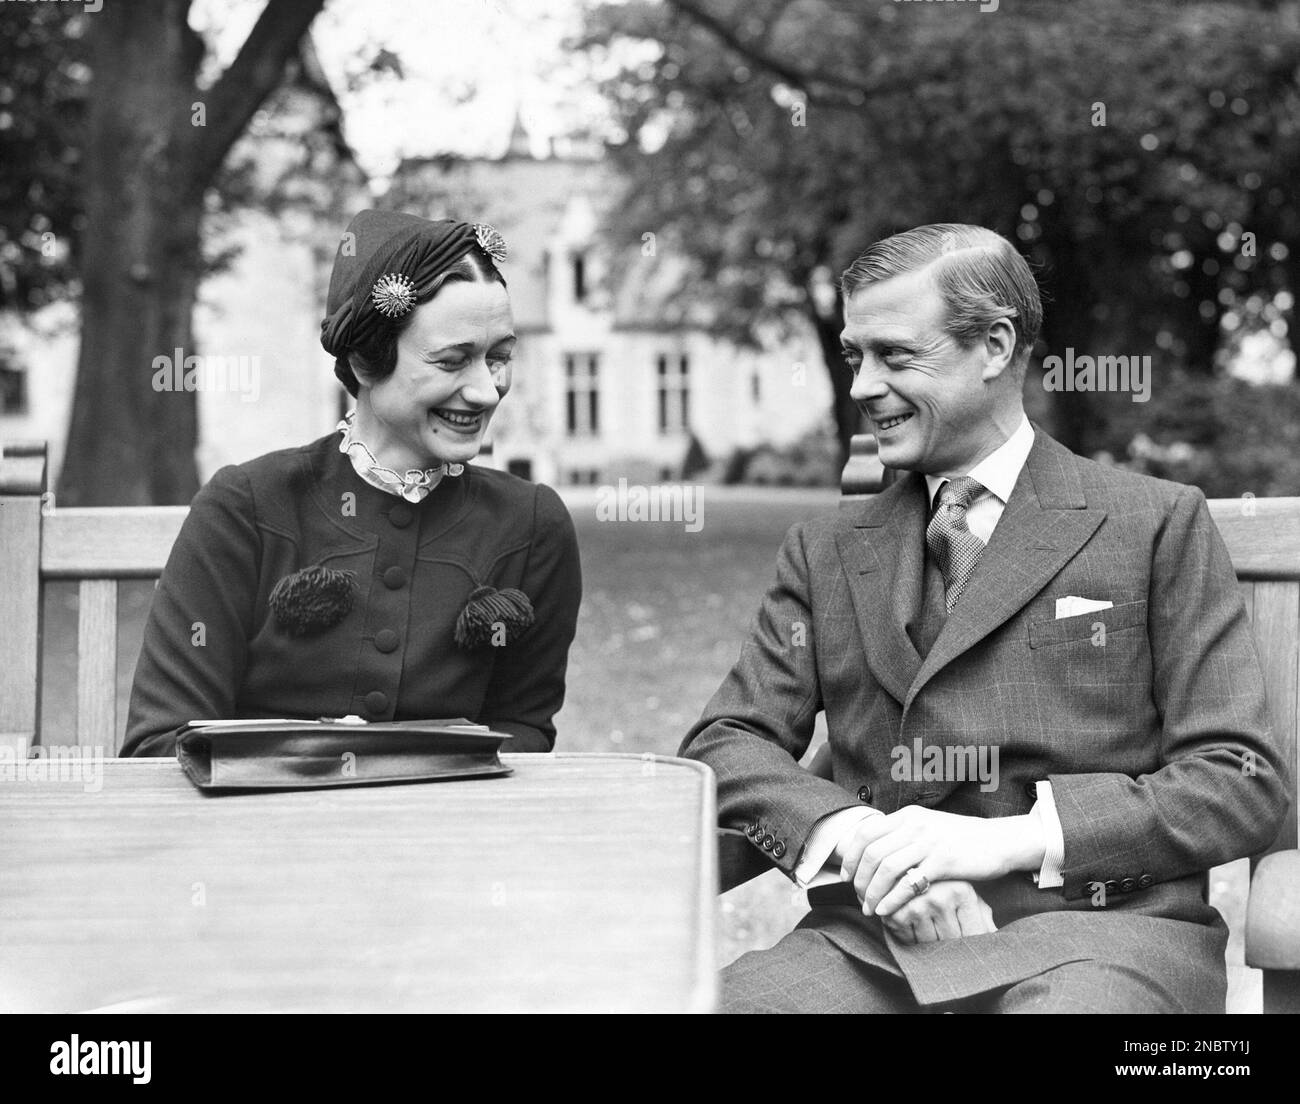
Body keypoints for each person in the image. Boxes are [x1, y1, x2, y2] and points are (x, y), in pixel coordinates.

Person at [680, 223, 1289, 1013]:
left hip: (1101, 942)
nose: (862, 385)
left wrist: (1004, 840)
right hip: (872, 947)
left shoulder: (1154, 523)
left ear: (996, 346)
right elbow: (727, 744)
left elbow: (1236, 780)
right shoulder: (825, 550)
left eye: (895, 356)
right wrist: (862, 845)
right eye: (853, 355)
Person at [123, 210, 581, 757]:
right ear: (366, 360)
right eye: (452, 361)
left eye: (499, 357)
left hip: (446, 836)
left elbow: (523, 735)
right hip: (257, 834)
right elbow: (160, 745)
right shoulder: (247, 508)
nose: (486, 391)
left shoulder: (532, 526)